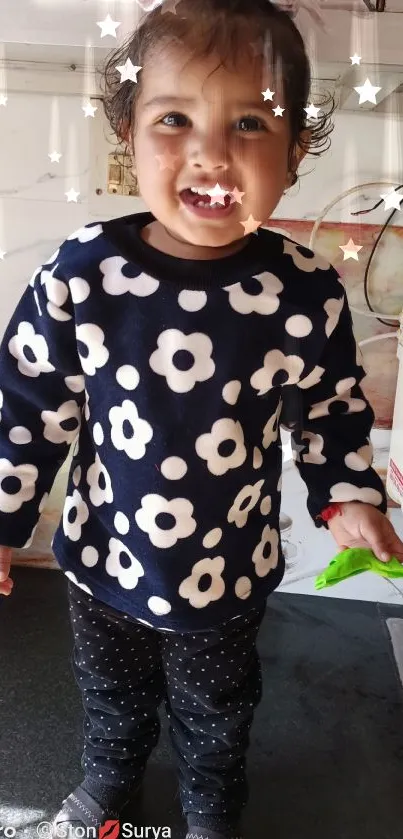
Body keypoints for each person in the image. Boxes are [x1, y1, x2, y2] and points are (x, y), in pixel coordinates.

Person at [1, 1, 403, 838]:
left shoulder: (303, 291)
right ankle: (109, 777)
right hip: (102, 556)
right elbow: (29, 402)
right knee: (109, 692)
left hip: (227, 567)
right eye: (174, 118)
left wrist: (351, 495)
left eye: (250, 121)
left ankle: (214, 797)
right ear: (128, 136)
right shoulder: (84, 273)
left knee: (218, 704)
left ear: (295, 152)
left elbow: (329, 410)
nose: (211, 152)